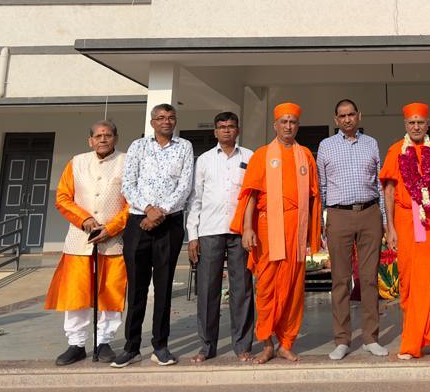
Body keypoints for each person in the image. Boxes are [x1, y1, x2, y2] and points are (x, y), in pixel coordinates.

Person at [230, 102, 322, 364]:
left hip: (296, 226)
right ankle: (267, 342)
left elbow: (315, 198)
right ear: (275, 125)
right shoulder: (261, 155)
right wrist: (247, 228)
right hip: (267, 226)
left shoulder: (305, 155)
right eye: (284, 122)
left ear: (297, 125)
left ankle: (287, 342)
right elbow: (250, 195)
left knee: (293, 288)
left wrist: (314, 232)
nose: (288, 126)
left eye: (292, 122)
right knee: (267, 288)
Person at [111, 103, 195, 368]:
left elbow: (185, 185)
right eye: (160, 118)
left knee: (163, 287)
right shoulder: (138, 147)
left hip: (169, 224)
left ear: (175, 121)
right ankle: (131, 347)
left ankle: (161, 346)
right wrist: (148, 210)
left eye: (170, 118)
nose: (166, 122)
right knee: (136, 287)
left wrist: (161, 212)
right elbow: (128, 184)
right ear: (152, 122)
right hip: (139, 223)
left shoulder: (184, 147)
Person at [46, 120, 129, 365]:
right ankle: (76, 343)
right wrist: (85, 220)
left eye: (108, 135)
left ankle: (104, 341)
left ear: (115, 137)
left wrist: (111, 227)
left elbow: (132, 202)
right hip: (79, 239)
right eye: (98, 135)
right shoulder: (77, 162)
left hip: (113, 239)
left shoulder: (126, 161)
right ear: (90, 140)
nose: (103, 139)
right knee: (76, 292)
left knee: (111, 291)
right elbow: (63, 198)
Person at [381, 102, 430, 360]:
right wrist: (390, 227)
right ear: (406, 125)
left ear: (427, 125)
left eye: (420, 122)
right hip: (405, 220)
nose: (416, 126)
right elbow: (389, 191)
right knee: (411, 282)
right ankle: (412, 340)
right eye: (412, 122)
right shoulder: (395, 151)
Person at [317, 99, 389, 360]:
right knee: (340, 280)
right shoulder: (326, 146)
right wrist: (323, 222)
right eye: (342, 116)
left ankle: (371, 337)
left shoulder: (371, 143)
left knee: (369, 279)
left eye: (351, 115)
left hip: (369, 213)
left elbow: (380, 186)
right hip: (339, 216)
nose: (347, 119)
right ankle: (342, 339)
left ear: (359, 115)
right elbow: (322, 188)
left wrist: (383, 219)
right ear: (336, 120)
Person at [186, 111, 255, 363]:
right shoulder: (204, 160)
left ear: (238, 130)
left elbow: (254, 198)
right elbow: (196, 199)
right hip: (210, 230)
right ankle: (206, 346)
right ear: (215, 131)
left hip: (239, 232)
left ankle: (242, 345)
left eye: (231, 126)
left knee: (242, 288)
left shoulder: (250, 157)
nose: (226, 130)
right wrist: (192, 235)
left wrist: (251, 230)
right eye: (221, 127)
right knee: (207, 289)